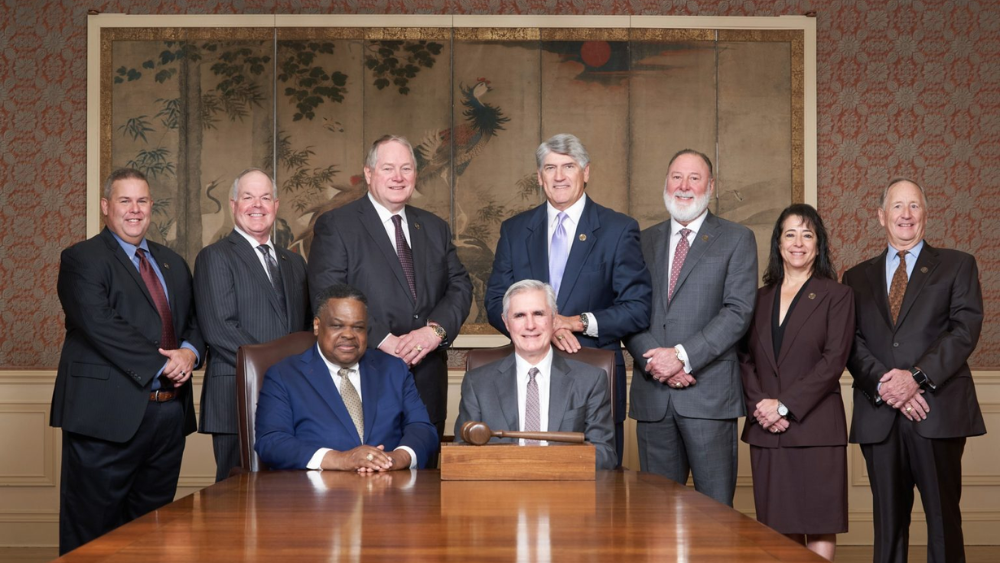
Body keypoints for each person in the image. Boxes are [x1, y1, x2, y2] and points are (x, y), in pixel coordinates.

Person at [51, 168, 204, 554]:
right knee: (93, 534)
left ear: (152, 206)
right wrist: (164, 364)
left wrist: (189, 352)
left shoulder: (171, 262)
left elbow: (195, 322)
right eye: (124, 200)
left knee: (153, 533)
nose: (134, 210)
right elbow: (100, 324)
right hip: (105, 419)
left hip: (167, 418)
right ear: (106, 206)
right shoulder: (81, 258)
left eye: (142, 201)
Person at [484, 133, 651, 465]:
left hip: (592, 378)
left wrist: (575, 323)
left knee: (598, 493)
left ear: (585, 172)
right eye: (550, 168)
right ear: (539, 176)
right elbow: (495, 301)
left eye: (568, 166)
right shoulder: (515, 230)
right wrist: (546, 328)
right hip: (525, 379)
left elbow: (637, 308)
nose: (559, 176)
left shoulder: (618, 229)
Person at [843, 178, 985, 563]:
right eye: (897, 207)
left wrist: (915, 379)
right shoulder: (855, 278)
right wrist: (887, 386)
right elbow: (850, 342)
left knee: (943, 521)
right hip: (880, 414)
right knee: (887, 526)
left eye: (914, 206)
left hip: (936, 411)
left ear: (926, 214)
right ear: (880, 216)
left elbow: (964, 331)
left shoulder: (958, 265)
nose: (906, 215)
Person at [308, 135, 472, 461]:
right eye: (388, 168)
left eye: (406, 168)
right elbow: (328, 296)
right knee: (366, 492)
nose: (398, 177)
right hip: (365, 376)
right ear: (369, 173)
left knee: (424, 493)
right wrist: (385, 340)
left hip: (427, 381)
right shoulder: (336, 225)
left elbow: (460, 284)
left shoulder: (435, 227)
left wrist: (433, 332)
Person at [623, 149, 757, 506]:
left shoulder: (736, 238)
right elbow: (628, 309)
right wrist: (657, 363)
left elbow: (738, 312)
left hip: (709, 397)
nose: (684, 186)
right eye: (676, 177)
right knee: (656, 517)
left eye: (694, 178)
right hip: (654, 397)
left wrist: (681, 357)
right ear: (665, 183)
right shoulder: (641, 240)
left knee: (716, 515)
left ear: (710, 186)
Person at [738, 204, 853, 560]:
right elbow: (744, 358)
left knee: (819, 521)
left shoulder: (837, 295)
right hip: (767, 431)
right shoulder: (757, 298)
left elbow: (833, 361)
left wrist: (784, 405)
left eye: (808, 234)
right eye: (790, 234)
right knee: (775, 526)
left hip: (815, 429)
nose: (798, 242)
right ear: (778, 243)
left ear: (818, 245)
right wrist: (762, 406)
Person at [194, 168, 311, 481]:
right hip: (236, 395)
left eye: (265, 198)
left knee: (287, 496)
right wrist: (279, 373)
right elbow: (220, 329)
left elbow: (304, 332)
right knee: (235, 497)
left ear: (275, 205)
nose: (256, 205)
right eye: (248, 197)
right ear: (233, 204)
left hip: (293, 398)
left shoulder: (294, 262)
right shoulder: (214, 257)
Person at [255, 284, 438, 471]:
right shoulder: (284, 375)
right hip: (315, 494)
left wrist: (397, 458)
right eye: (337, 325)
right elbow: (271, 441)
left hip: (388, 489)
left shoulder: (393, 369)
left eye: (358, 327)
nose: (349, 335)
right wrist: (342, 460)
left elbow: (422, 428)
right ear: (317, 326)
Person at [456, 280, 617, 470]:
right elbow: (463, 453)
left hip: (567, 493)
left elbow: (604, 454)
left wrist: (542, 465)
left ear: (554, 319)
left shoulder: (590, 380)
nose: (530, 325)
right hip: (500, 494)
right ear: (506, 322)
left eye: (538, 314)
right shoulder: (478, 383)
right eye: (519, 316)